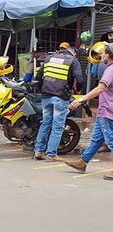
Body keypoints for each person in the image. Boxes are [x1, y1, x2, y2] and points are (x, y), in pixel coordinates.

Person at [65, 43, 113, 179]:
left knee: (111, 140)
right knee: (96, 139)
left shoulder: (110, 70)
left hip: (107, 111)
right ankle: (82, 162)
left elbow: (100, 88)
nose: (101, 55)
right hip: (105, 110)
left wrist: (81, 100)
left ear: (108, 55)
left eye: (103, 53)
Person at [33, 46, 84, 161]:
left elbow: (38, 77)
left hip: (45, 96)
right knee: (57, 126)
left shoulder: (49, 58)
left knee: (45, 123)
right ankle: (51, 154)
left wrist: (42, 89)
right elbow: (79, 79)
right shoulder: (73, 60)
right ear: (74, 54)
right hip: (61, 97)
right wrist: (79, 89)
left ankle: (38, 151)